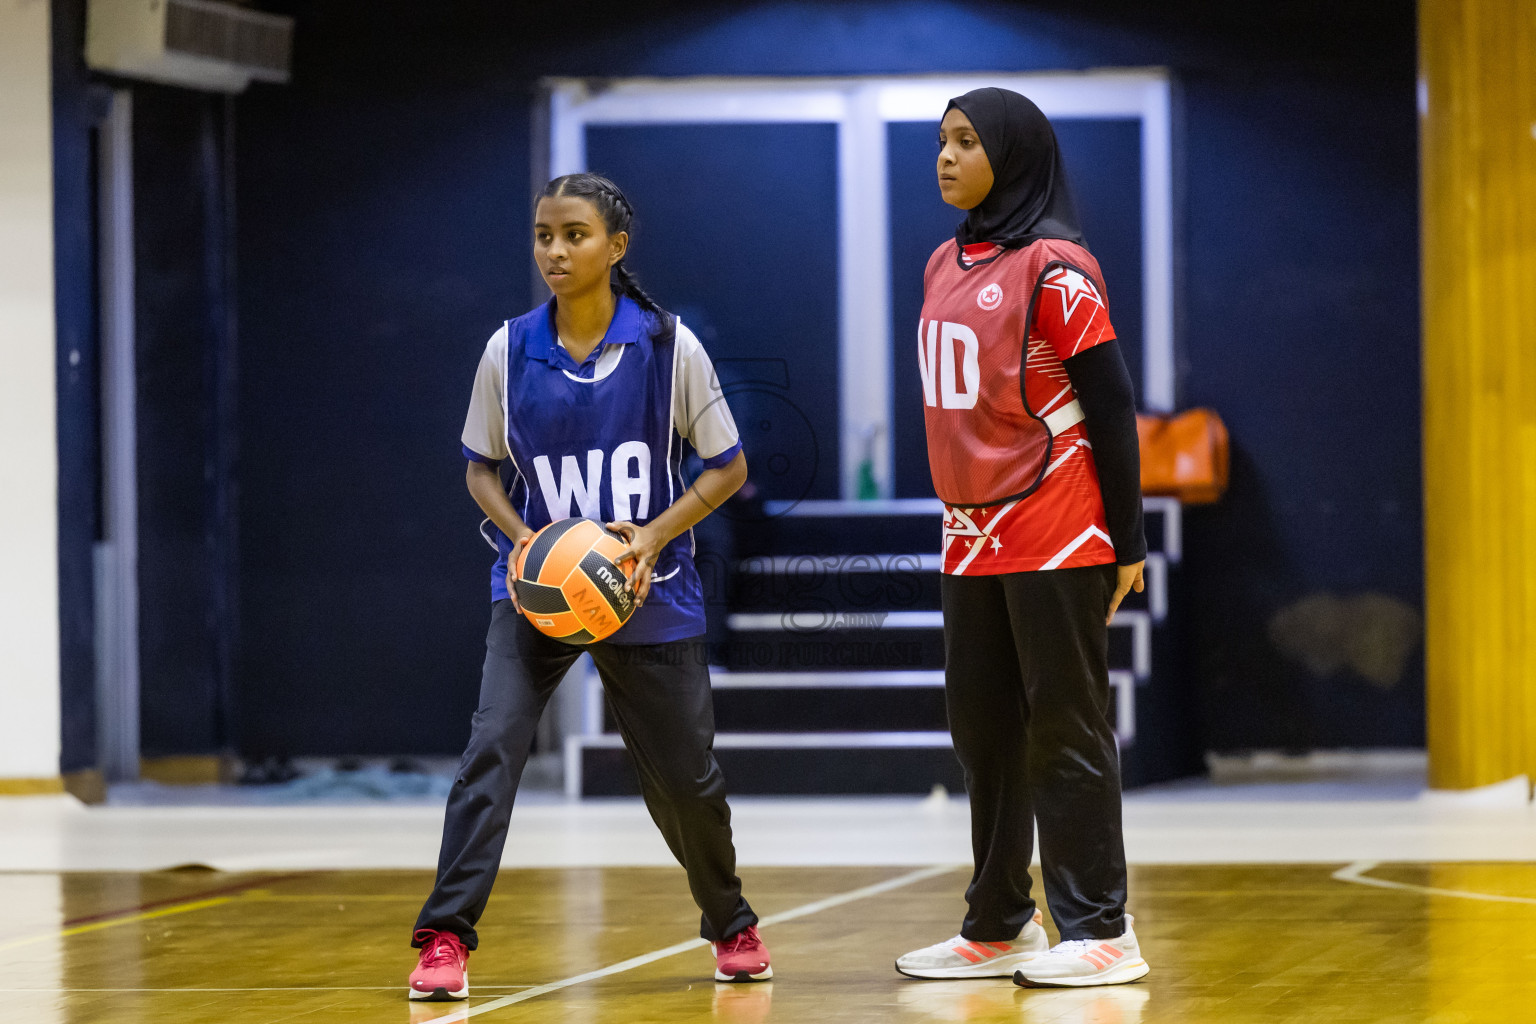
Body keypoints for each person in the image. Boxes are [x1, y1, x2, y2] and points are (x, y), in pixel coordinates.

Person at [407, 173, 770, 1001]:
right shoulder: (508, 348)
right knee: (491, 749)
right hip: (535, 588)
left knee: (684, 782)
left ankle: (731, 921)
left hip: (648, 587)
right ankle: (444, 939)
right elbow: (479, 469)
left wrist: (651, 535)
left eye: (574, 235)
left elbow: (729, 468)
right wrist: (522, 535)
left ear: (616, 246)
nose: (555, 251)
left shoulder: (671, 346)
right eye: (543, 235)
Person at [894, 88, 1151, 988]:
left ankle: (1102, 929)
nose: (946, 156)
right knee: (983, 728)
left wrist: (1128, 542)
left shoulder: (1060, 267)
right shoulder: (940, 262)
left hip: (1058, 523)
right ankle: (1000, 923)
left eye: (967, 141)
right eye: (941, 141)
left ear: (1016, 154)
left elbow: (1113, 410)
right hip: (969, 534)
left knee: (1065, 728)